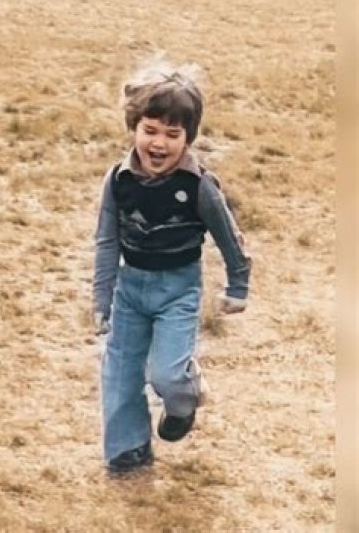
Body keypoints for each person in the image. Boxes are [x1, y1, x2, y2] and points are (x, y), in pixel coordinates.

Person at [93, 62, 252, 476]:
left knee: (165, 374)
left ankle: (185, 395)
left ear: (188, 138)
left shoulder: (198, 186)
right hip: (130, 290)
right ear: (134, 128)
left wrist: (238, 284)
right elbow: (107, 242)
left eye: (172, 134)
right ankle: (128, 452)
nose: (159, 143)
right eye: (150, 130)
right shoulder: (118, 181)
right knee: (121, 372)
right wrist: (101, 300)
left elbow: (229, 236)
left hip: (178, 291)